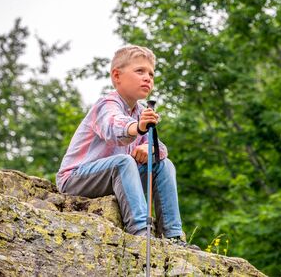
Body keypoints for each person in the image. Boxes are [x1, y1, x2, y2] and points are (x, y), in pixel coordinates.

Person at [56, 45, 198, 249]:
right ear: (117, 76)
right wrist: (138, 128)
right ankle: (142, 232)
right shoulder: (106, 104)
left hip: (113, 178)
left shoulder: (140, 111)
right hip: (76, 179)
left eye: (151, 73)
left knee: (164, 165)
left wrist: (149, 146)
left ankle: (173, 236)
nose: (147, 77)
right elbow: (114, 128)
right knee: (123, 161)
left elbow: (161, 149)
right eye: (140, 71)